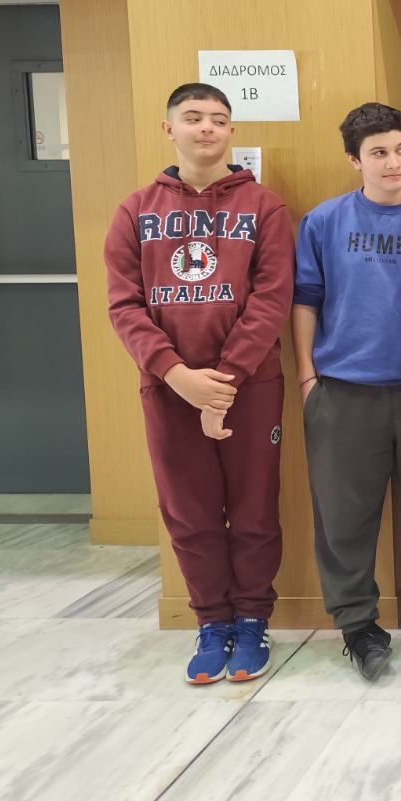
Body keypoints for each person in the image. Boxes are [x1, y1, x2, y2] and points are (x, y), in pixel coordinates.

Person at [103, 83, 293, 685]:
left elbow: (271, 300)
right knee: (189, 512)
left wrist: (224, 382)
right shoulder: (135, 211)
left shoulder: (263, 207)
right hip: (169, 388)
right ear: (170, 130)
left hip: (251, 386)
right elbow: (124, 306)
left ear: (231, 131)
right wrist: (177, 374)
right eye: (193, 118)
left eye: (218, 119)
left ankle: (253, 621)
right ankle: (212, 622)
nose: (207, 128)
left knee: (254, 508)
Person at [293, 103, 401, 681]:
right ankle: (358, 626)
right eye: (378, 153)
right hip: (344, 391)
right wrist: (307, 377)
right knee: (343, 519)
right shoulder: (324, 221)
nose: (393, 162)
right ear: (354, 160)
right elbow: (306, 300)